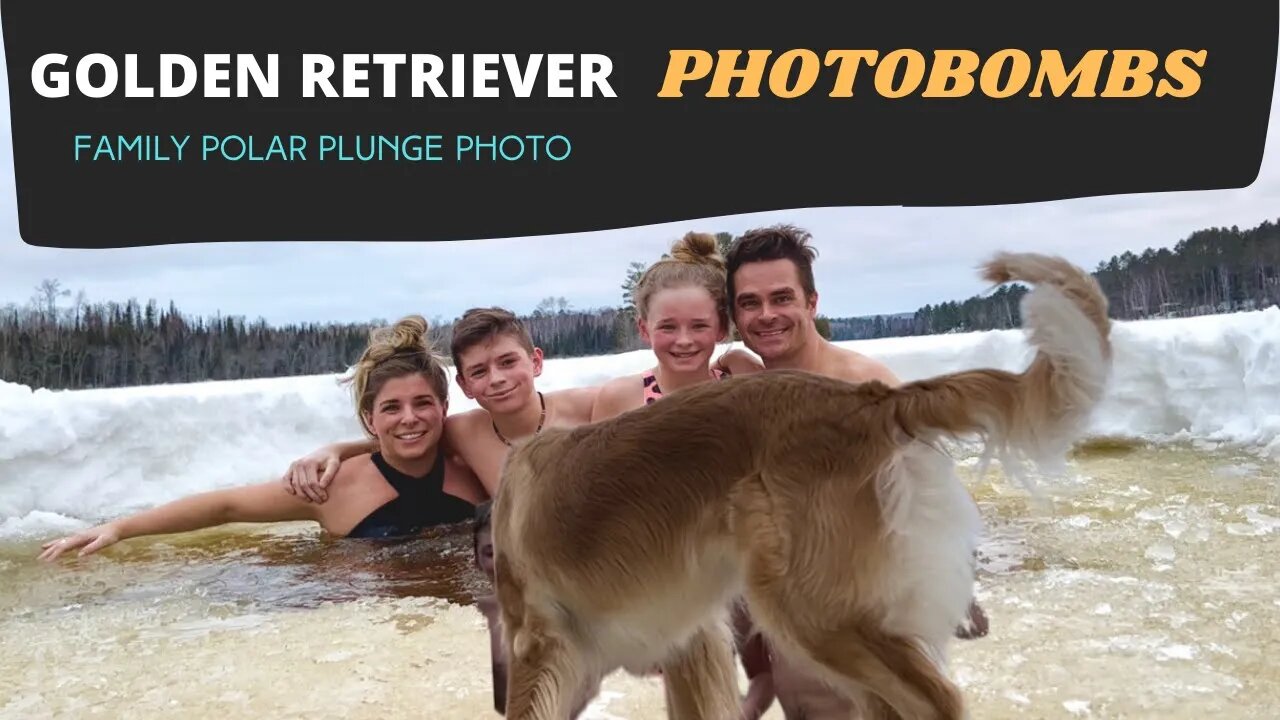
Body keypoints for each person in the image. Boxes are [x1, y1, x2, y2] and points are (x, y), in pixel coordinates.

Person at [714, 224, 989, 719]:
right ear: (734, 314)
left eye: (782, 298)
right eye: (750, 303)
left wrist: (959, 590)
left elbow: (938, 494)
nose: (767, 314)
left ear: (812, 302)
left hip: (868, 617)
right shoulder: (749, 390)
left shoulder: (865, 386)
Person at [37, 315, 485, 562]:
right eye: (392, 407)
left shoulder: (473, 465)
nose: (410, 418)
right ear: (370, 418)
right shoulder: (331, 488)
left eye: (422, 403)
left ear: (443, 408)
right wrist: (120, 528)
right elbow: (225, 506)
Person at [281, 307, 598, 501]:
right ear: (465, 385)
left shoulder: (590, 410)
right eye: (479, 371)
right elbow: (402, 438)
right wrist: (334, 451)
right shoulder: (466, 432)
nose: (497, 378)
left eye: (507, 362)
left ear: (536, 362)